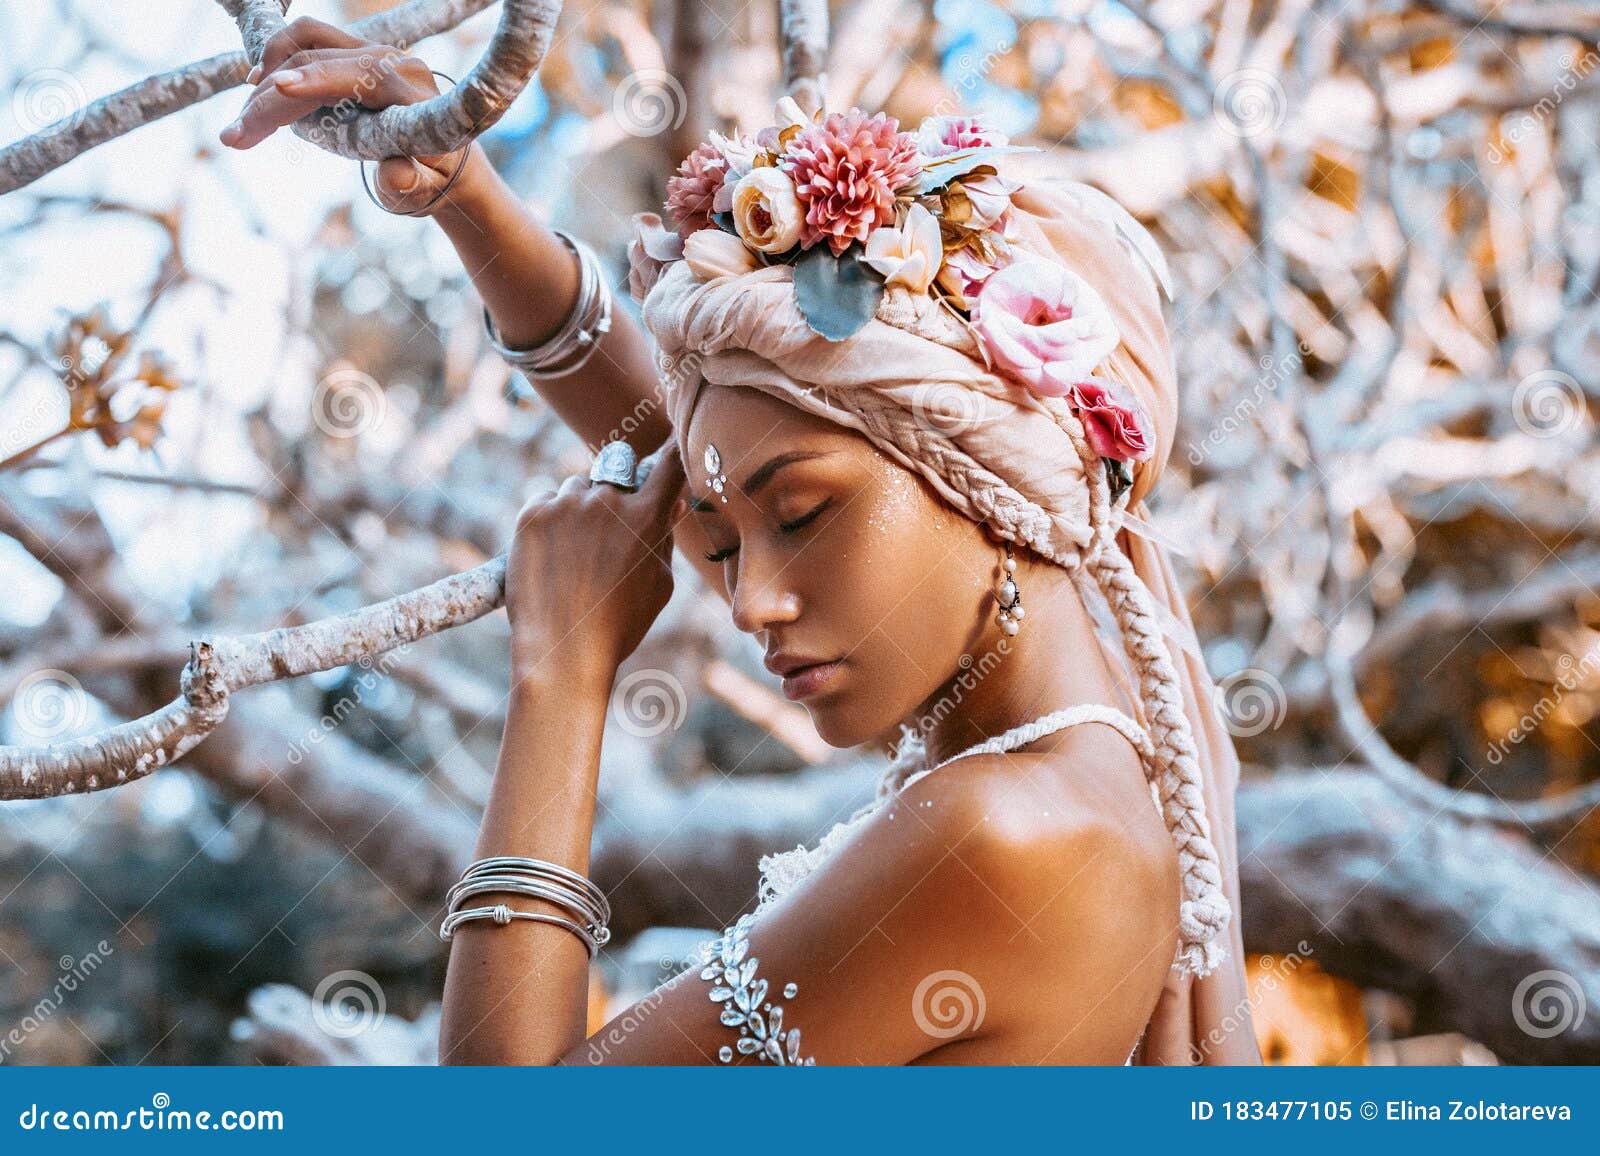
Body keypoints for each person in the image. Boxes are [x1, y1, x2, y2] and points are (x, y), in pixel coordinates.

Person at [224, 17, 1260, 1066]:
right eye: (718, 547)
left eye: (802, 518)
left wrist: (563, 675)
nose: (750, 601)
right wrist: (466, 192)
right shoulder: (1089, 755)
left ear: (988, 478)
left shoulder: (1001, 836)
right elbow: (701, 443)